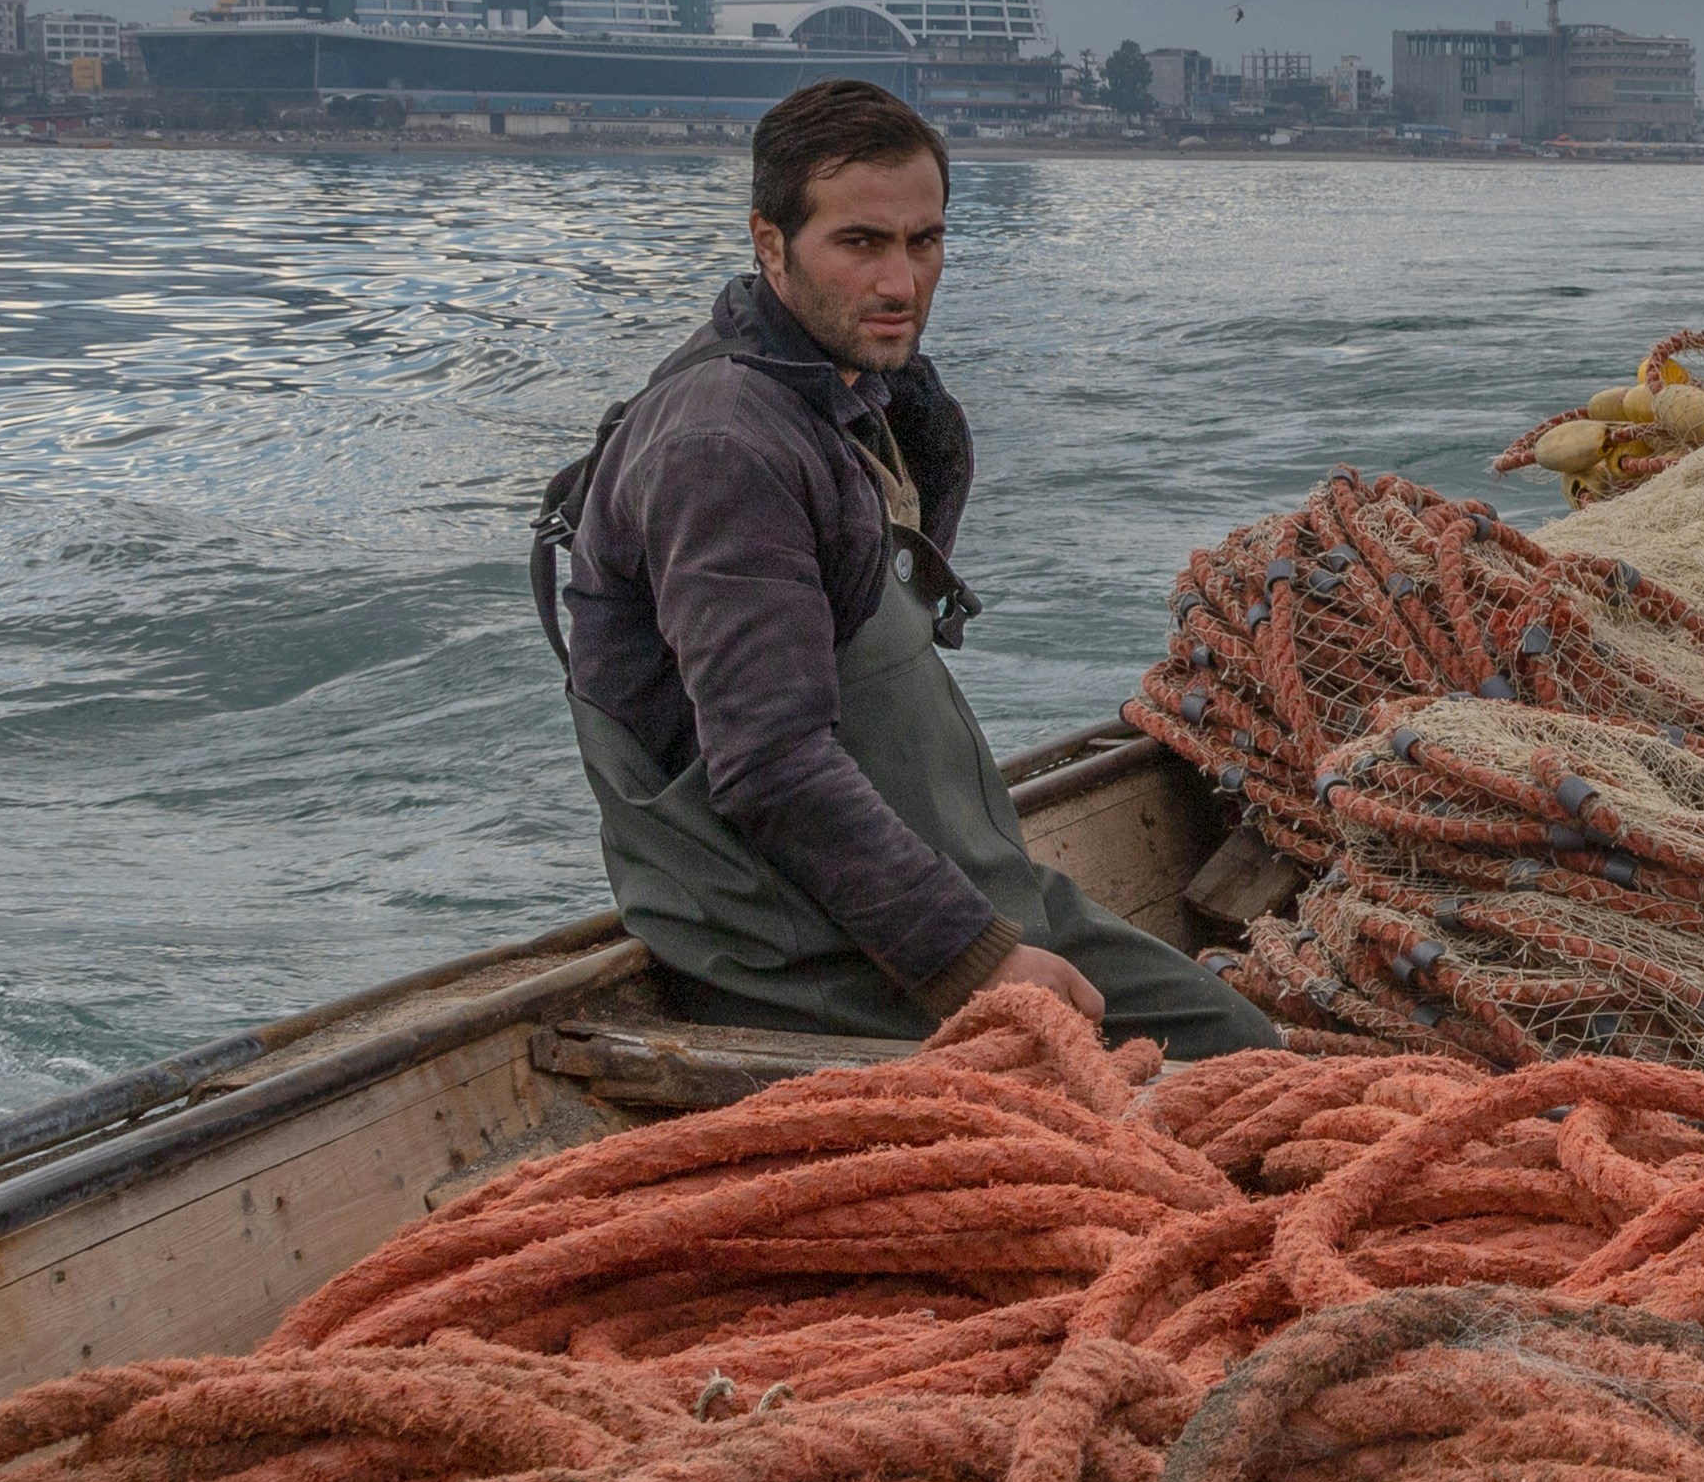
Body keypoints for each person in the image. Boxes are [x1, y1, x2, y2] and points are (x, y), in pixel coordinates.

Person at [535, 77, 1278, 1060]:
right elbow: (770, 764)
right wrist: (973, 958)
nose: (899, 282)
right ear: (769, 244)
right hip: (797, 947)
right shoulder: (723, 444)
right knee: (1214, 1101)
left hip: (936, 893)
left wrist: (984, 922)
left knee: (1247, 1055)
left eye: (922, 241)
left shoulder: (855, 394)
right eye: (859, 243)